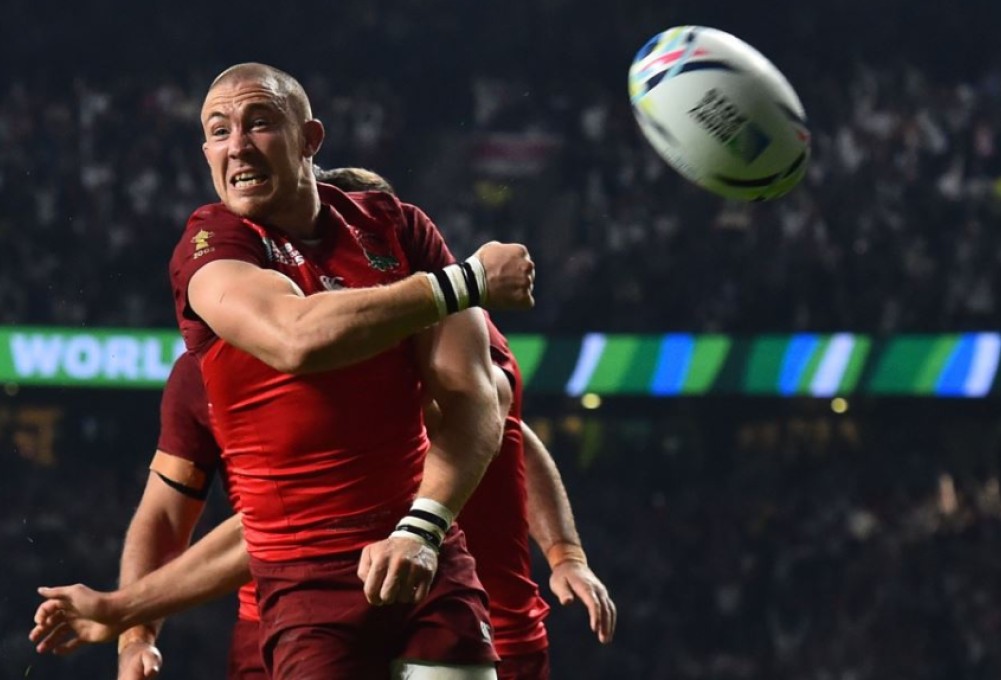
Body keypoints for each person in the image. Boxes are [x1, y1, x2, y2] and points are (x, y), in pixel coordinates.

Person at [31, 168, 614, 679]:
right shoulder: (207, 372)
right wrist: (134, 630)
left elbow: (506, 433)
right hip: (292, 615)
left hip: (468, 607)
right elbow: (174, 513)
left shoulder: (447, 341)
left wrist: (565, 552)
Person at [168, 61, 533, 680]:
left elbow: (476, 395)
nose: (238, 146)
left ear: (310, 139)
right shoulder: (211, 245)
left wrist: (423, 527)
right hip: (306, 578)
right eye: (219, 131)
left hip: (424, 554)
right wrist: (466, 281)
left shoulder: (397, 226)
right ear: (206, 152)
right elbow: (294, 339)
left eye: (259, 123)